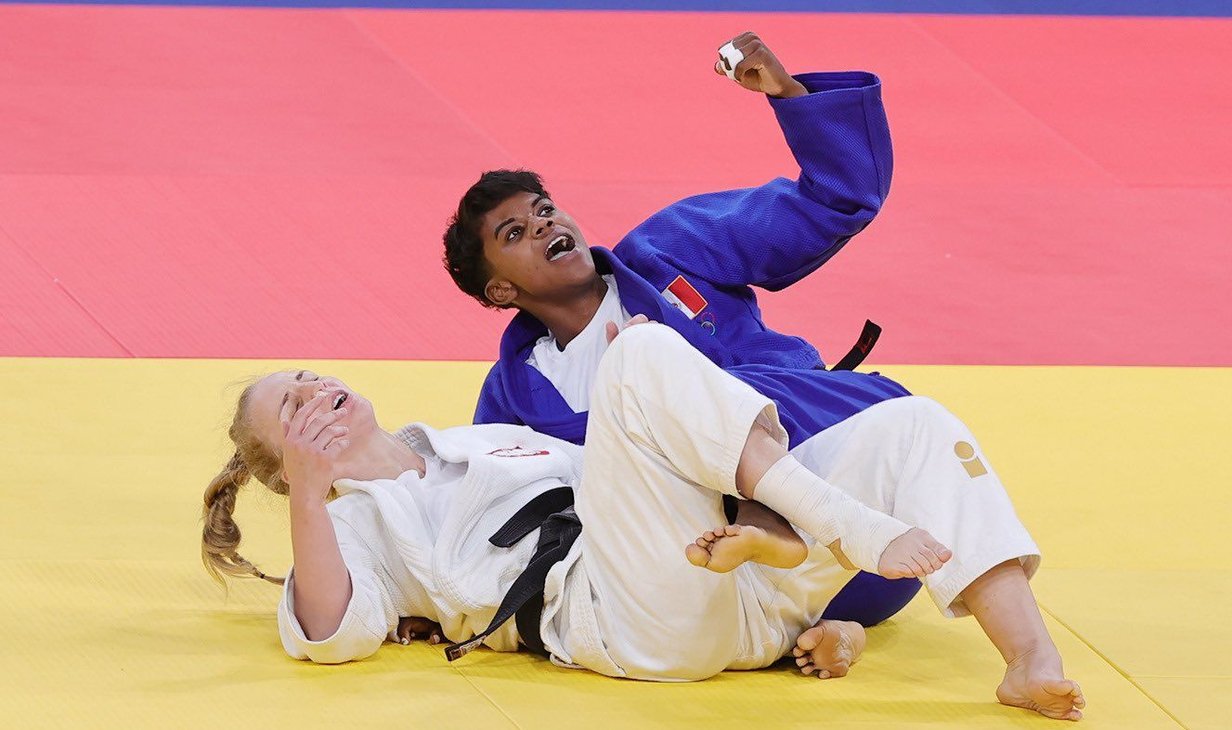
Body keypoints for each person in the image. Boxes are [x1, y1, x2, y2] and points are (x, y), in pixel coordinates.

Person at [201, 324, 1085, 721]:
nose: (315, 389)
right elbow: (330, 635)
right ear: (284, 467)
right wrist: (311, 497)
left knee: (914, 426)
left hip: (723, 584)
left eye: (308, 375)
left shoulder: (474, 437)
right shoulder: (355, 526)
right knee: (639, 357)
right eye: (292, 407)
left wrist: (750, 523)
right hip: (620, 617)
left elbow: (653, 475)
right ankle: (835, 524)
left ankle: (1028, 661)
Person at [442, 31, 918, 628]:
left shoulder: (670, 251)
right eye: (513, 234)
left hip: (848, 495)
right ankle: (816, 626)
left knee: (711, 396)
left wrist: (789, 94)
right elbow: (488, 511)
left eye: (543, 209)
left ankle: (784, 546)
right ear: (500, 291)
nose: (542, 225)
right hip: (717, 574)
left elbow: (836, 200)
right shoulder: (513, 396)